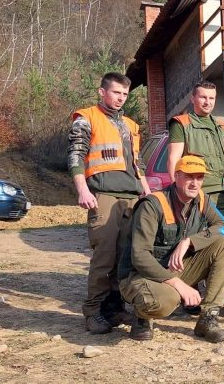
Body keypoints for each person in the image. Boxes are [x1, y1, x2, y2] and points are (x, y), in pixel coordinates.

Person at [118, 156, 224, 342]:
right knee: (166, 301)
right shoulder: (153, 205)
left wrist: (190, 241)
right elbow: (139, 256)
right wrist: (178, 284)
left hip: (175, 269)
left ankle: (208, 318)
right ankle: (142, 317)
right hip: (141, 275)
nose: (195, 183)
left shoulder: (202, 200)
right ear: (177, 176)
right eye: (189, 177)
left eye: (199, 178)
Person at [68, 72, 151, 334]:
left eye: (125, 94)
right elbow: (75, 157)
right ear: (102, 91)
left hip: (130, 197)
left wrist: (146, 193)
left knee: (125, 256)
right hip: (102, 195)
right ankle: (93, 312)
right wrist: (83, 191)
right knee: (104, 256)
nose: (121, 98)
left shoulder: (130, 125)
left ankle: (114, 309)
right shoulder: (86, 118)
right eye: (116, 92)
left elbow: (137, 164)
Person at [166, 80, 224, 211]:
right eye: (203, 97)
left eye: (212, 98)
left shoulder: (223, 127)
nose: (208, 102)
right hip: (200, 194)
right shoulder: (181, 123)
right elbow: (173, 159)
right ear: (192, 98)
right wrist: (176, 191)